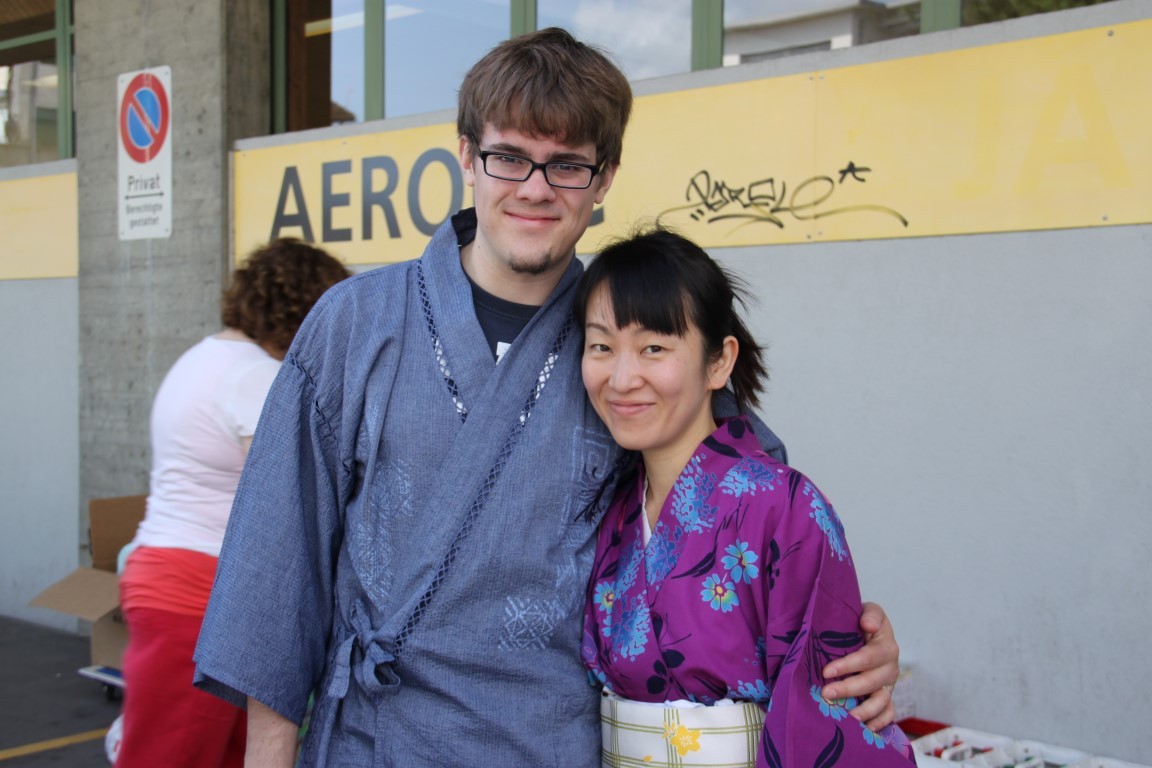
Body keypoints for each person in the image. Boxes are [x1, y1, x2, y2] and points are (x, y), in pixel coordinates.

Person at [193, 28, 902, 767]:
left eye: (567, 165)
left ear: (604, 179)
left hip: (547, 744)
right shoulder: (355, 322)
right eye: (509, 157)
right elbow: (280, 566)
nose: (535, 189)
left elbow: (758, 515)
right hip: (374, 741)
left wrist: (845, 641)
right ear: (466, 155)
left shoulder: (619, 343)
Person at [578, 228, 914, 767]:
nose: (621, 378)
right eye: (601, 347)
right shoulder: (609, 509)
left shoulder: (784, 506)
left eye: (653, 348)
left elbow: (826, 710)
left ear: (719, 361)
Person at [115, 239, 349, 768]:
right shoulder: (254, 376)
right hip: (200, 593)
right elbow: (291, 498)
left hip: (167, 574)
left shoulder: (203, 357)